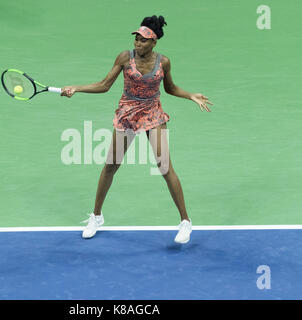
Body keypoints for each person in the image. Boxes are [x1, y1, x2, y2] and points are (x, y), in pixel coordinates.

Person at [61, 15, 213, 244]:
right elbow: (104, 85)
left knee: (164, 166)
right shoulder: (125, 57)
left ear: (154, 43)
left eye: (143, 40)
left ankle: (185, 222)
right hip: (127, 113)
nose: (138, 43)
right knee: (111, 166)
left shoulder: (164, 62)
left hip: (153, 112)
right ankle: (97, 216)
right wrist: (76, 88)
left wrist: (190, 95)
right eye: (137, 39)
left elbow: (170, 88)